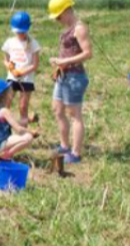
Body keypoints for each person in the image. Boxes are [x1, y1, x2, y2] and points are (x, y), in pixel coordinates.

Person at [48, 0, 92, 164]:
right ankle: (64, 145)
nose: (57, 21)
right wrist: (60, 65)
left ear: (66, 10)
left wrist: (64, 61)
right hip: (62, 75)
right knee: (57, 110)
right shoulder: (67, 28)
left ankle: (75, 153)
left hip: (74, 77)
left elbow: (88, 53)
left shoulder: (79, 29)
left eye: (58, 17)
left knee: (75, 115)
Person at [0, 79, 37, 162]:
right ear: (5, 95)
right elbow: (19, 129)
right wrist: (31, 132)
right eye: (9, 90)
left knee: (23, 137)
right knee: (28, 138)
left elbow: (12, 122)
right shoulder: (4, 111)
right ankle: (5, 156)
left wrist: (28, 120)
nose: (12, 91)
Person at [2, 11, 41, 124]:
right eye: (17, 32)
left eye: (22, 32)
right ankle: (4, 128)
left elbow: (35, 64)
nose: (20, 34)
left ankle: (24, 135)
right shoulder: (9, 42)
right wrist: (9, 66)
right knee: (6, 103)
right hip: (12, 78)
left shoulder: (33, 44)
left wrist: (22, 72)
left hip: (26, 79)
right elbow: (5, 60)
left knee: (23, 107)